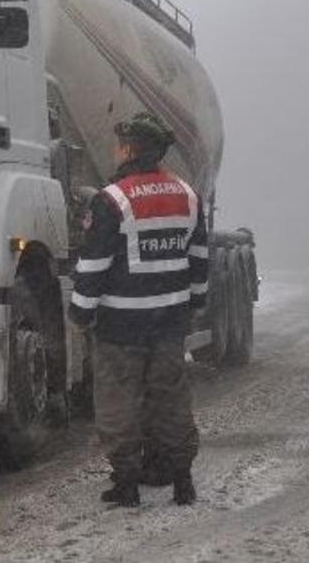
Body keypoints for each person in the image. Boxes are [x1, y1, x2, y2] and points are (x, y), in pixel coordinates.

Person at [68, 112, 208, 508]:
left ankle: (127, 484)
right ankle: (182, 479)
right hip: (169, 324)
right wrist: (195, 303)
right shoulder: (187, 195)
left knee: (119, 403)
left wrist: (80, 313)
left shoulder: (112, 200)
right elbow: (199, 259)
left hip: (121, 328)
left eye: (120, 144)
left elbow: (93, 265)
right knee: (170, 399)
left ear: (130, 149)